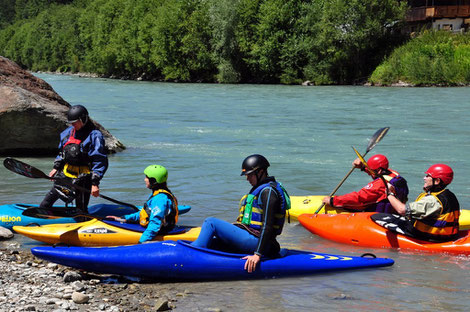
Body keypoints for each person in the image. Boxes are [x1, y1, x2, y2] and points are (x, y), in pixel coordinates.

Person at [191, 154, 290, 273]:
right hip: (253, 239)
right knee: (214, 242)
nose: (247, 178)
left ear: (261, 172)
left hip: (259, 242)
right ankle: (195, 250)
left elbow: (267, 226)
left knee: (211, 222)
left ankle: (190, 255)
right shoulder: (262, 190)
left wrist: (257, 254)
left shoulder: (268, 192)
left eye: (249, 175)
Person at [39, 105, 108, 212]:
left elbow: (99, 160)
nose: (72, 125)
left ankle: (81, 219)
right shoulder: (68, 132)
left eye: (75, 122)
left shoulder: (95, 136)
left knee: (81, 209)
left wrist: (95, 184)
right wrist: (56, 167)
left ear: (83, 119)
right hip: (65, 175)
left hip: (84, 178)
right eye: (71, 123)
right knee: (45, 204)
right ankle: (43, 218)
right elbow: (62, 152)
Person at [372, 164, 460, 242]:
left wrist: (389, 194)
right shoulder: (449, 195)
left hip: (428, 237)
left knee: (376, 216)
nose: (424, 178)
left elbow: (402, 210)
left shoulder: (432, 200)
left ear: (437, 181)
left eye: (428, 176)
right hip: (447, 236)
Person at [107, 165, 179, 244]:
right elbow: (144, 213)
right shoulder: (157, 194)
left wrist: (141, 242)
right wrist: (123, 218)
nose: (145, 179)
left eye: (147, 177)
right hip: (158, 228)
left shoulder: (160, 199)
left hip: (161, 232)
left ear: (153, 180)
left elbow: (155, 223)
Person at [322, 154, 408, 213]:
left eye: (370, 169)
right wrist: (363, 167)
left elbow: (358, 198)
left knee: (354, 203)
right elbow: (377, 174)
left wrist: (333, 200)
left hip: (378, 214)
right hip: (394, 211)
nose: (369, 171)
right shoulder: (394, 174)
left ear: (379, 170)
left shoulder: (378, 186)